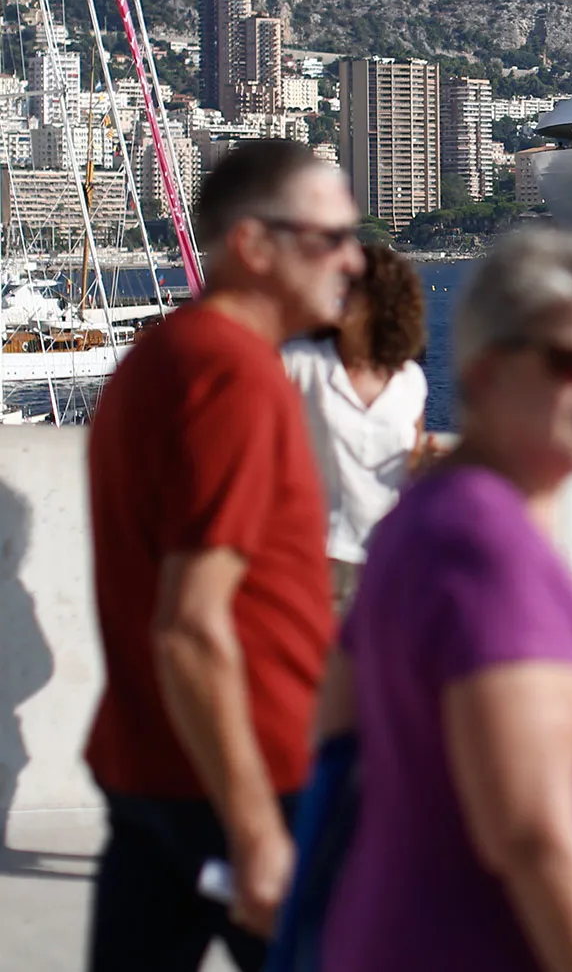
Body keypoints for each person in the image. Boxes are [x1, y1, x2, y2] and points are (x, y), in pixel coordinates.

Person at [323, 225, 572, 971]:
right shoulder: (484, 544)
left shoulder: (424, 520)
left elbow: (337, 727)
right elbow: (531, 834)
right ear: (483, 374)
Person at [83, 140, 363, 969]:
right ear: (253, 246)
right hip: (252, 772)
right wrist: (256, 833)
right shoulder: (232, 376)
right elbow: (192, 625)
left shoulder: (158, 357)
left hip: (149, 762)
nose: (354, 259)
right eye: (329, 238)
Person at [284, 243, 429, 609]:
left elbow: (410, 464)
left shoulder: (409, 379)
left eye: (351, 286)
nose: (338, 292)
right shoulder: (298, 364)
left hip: (392, 561)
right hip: (314, 561)